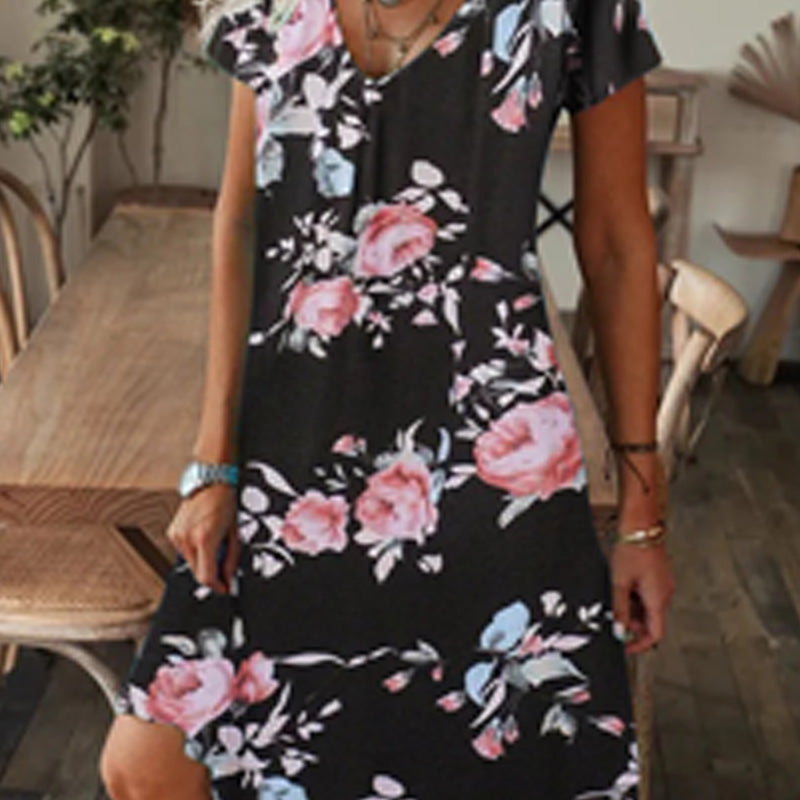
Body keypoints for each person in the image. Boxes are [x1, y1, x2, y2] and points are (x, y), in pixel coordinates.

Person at [100, 0, 676, 796]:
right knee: (143, 766)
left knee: (471, 760)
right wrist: (214, 464)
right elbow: (241, 222)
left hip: (489, 458)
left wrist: (643, 515)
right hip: (292, 456)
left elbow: (616, 244)